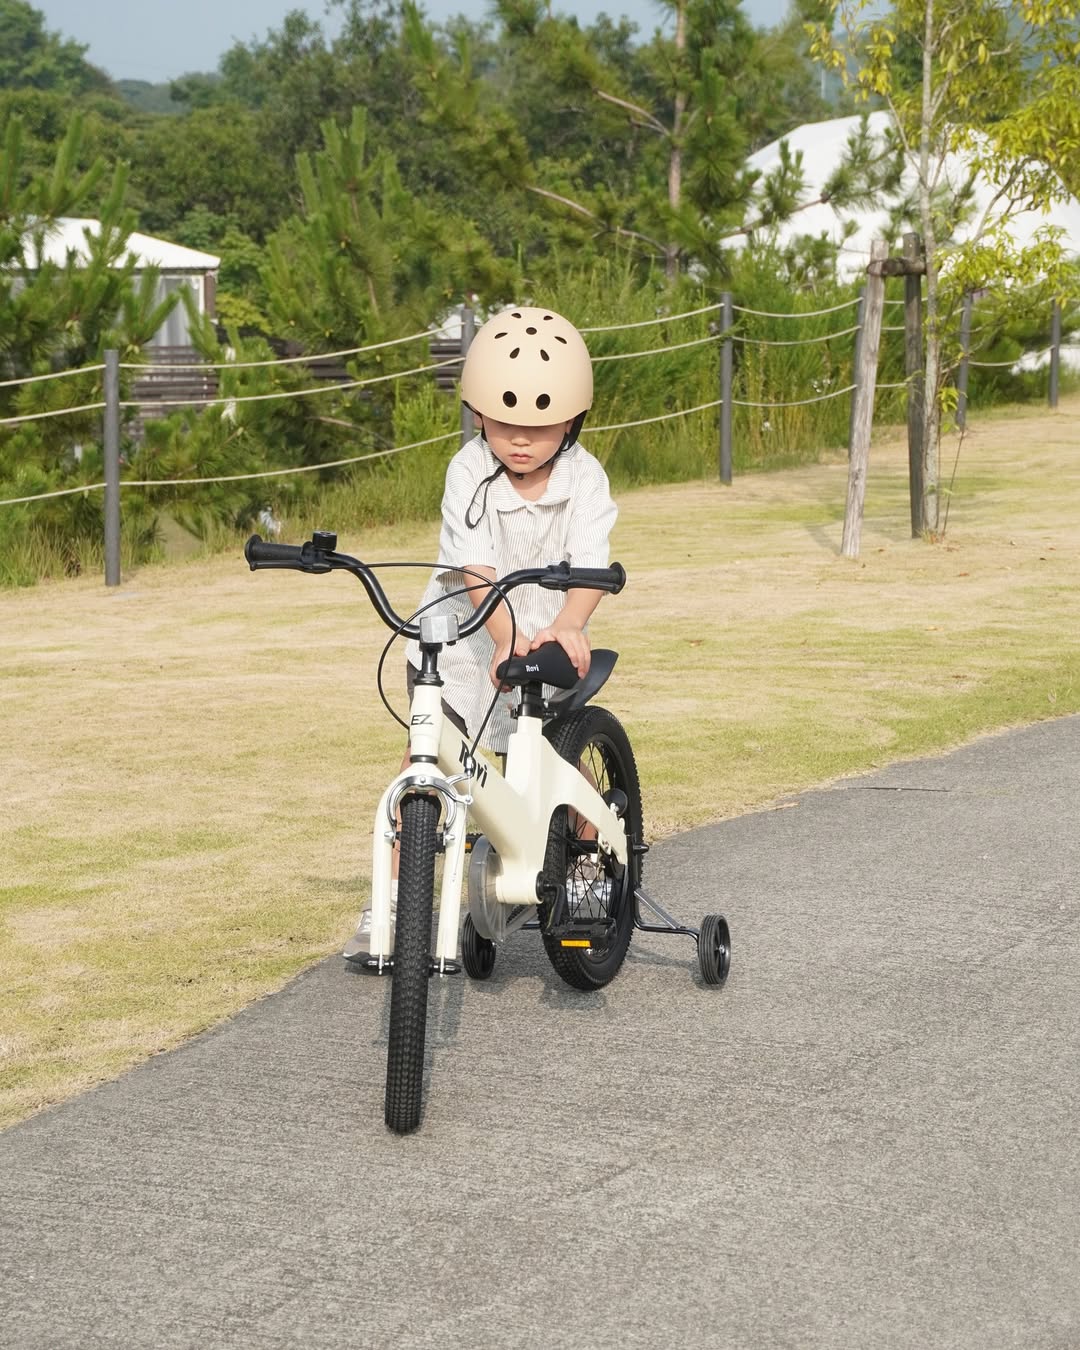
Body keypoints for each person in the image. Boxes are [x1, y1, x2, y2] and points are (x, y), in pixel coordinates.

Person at [343, 304, 617, 960]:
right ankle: (386, 908)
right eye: (504, 423)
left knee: (563, 764)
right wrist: (499, 634)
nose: (520, 440)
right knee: (425, 760)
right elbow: (475, 567)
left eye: (539, 426)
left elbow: (592, 566)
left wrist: (568, 625)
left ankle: (588, 879)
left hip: (550, 627)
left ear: (572, 419)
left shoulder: (584, 478)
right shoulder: (469, 469)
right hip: (470, 627)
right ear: (477, 414)